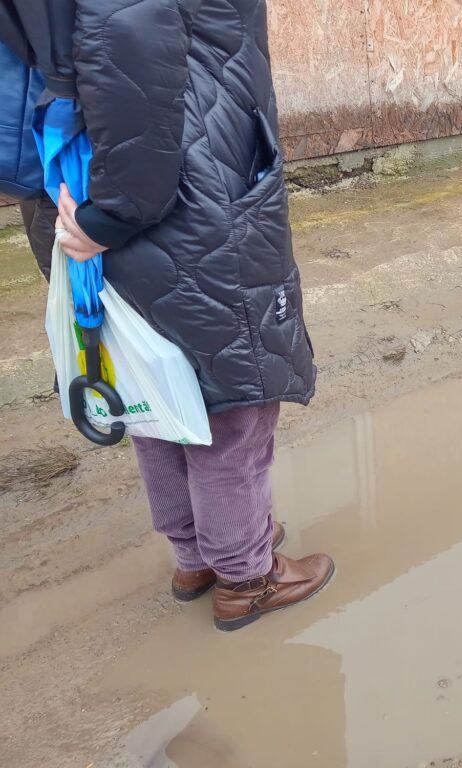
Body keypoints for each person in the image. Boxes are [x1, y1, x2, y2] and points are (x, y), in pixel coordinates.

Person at [0, 0, 334, 632]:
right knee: (229, 407)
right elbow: (129, 56)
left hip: (85, 188)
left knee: (156, 392)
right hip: (178, 204)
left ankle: (198, 557)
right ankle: (246, 575)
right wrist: (112, 217)